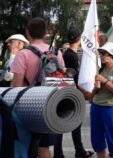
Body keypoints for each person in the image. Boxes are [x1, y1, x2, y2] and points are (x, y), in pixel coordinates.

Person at [10, 17, 65, 158]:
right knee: (44, 147)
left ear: (27, 33)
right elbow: (62, 79)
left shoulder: (23, 54)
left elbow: (16, 85)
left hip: (26, 106)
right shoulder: (56, 52)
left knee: (24, 146)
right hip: (49, 104)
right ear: (46, 32)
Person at [56, 29, 93, 158]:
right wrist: (84, 92)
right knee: (74, 121)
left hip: (67, 91)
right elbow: (72, 78)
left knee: (63, 122)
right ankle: (76, 150)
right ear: (79, 39)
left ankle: (62, 152)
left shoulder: (68, 54)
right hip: (71, 92)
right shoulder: (71, 55)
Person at [89, 42, 113, 158]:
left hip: (110, 107)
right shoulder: (101, 70)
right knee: (97, 139)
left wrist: (104, 81)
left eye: (103, 53)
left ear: (111, 55)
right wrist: (96, 87)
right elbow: (92, 94)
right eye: (100, 52)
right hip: (96, 106)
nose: (100, 55)